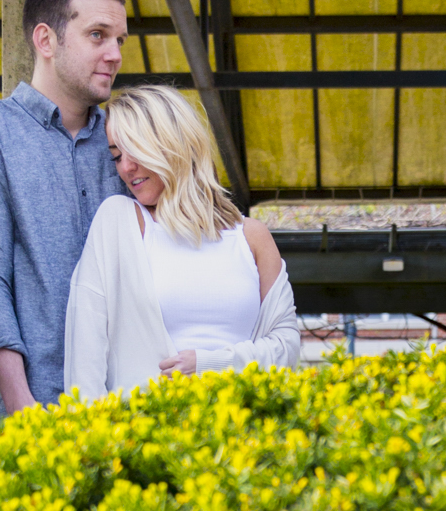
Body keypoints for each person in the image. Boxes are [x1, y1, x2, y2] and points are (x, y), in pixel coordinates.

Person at [65, 85, 301, 401]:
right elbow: (86, 352)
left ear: (173, 144)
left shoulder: (250, 237)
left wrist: (209, 364)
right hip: (143, 437)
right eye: (117, 157)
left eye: (134, 151)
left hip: (241, 435)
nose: (125, 168)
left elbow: (288, 346)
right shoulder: (119, 223)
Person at [0, 0, 130, 416]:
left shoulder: (129, 140)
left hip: (133, 408)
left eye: (119, 40)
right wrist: (23, 406)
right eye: (98, 35)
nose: (115, 54)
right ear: (46, 40)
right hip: (39, 412)